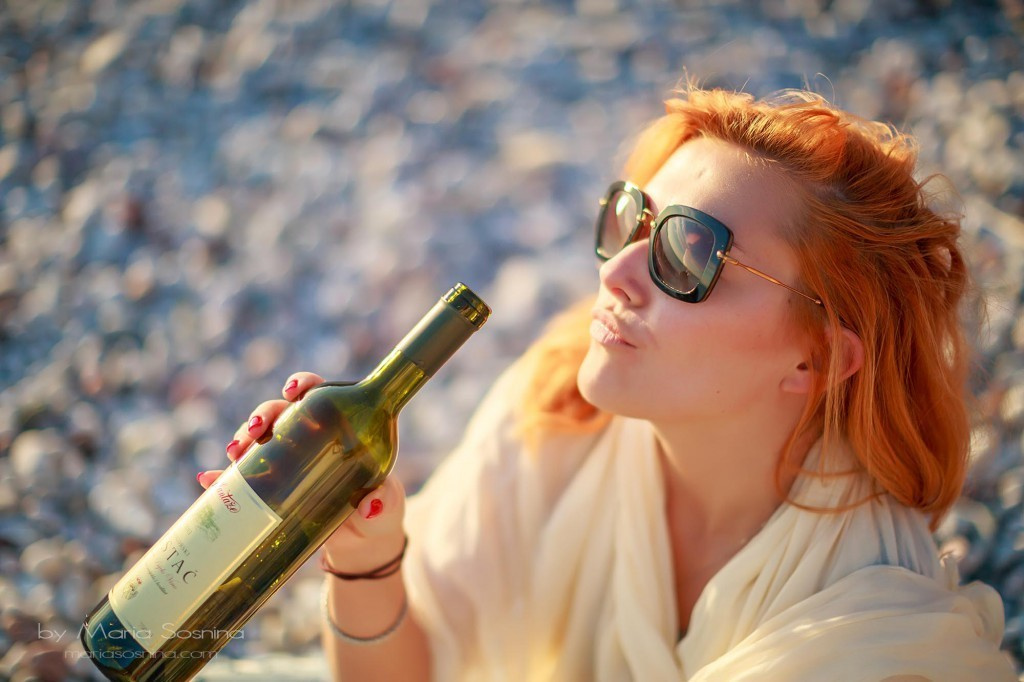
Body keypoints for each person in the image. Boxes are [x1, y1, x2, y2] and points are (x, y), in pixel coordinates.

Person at [199, 83, 1018, 680]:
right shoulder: (562, 405)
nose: (618, 271)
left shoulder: (870, 640)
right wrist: (368, 560)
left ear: (819, 358)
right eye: (633, 221)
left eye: (690, 254)